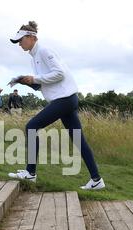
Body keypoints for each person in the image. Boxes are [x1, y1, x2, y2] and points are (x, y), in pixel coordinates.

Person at [7, 21, 105, 190]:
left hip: (65, 100)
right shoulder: (34, 58)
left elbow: (59, 74)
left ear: (31, 37)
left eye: (21, 40)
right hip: (66, 100)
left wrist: (35, 79)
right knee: (79, 141)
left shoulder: (44, 51)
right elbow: (40, 86)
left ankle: (30, 173)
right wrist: (24, 81)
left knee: (31, 127)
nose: (19, 44)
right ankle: (97, 180)